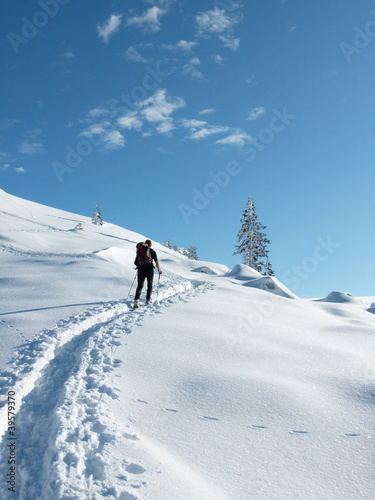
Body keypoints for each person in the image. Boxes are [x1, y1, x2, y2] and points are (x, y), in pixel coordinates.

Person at [133, 239, 162, 308]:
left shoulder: (139, 251)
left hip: (141, 269)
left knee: (140, 285)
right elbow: (156, 261)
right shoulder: (152, 251)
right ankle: (147, 300)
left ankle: (136, 300)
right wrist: (159, 269)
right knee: (150, 285)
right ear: (150, 245)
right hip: (149, 269)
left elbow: (135, 262)